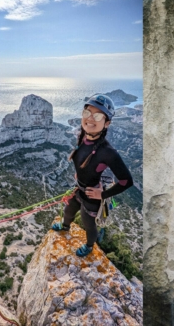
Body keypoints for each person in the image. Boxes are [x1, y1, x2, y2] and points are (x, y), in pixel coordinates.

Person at [52, 95, 134, 257]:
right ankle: (65, 226)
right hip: (80, 189)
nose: (90, 118)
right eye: (87, 113)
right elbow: (83, 160)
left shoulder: (108, 152)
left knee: (88, 224)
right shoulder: (83, 136)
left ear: (107, 123)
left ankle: (89, 246)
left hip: (92, 196)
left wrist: (102, 195)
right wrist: (79, 174)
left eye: (97, 116)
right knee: (68, 211)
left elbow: (127, 181)